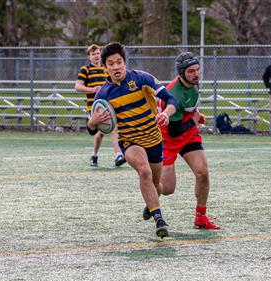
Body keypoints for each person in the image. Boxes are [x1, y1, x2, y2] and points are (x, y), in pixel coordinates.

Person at [87, 42, 179, 238]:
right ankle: (159, 220)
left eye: (119, 62)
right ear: (105, 67)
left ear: (125, 63)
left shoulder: (141, 79)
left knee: (157, 186)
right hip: (130, 142)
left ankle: (151, 203)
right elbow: (91, 128)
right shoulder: (103, 94)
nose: (116, 67)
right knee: (144, 171)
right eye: (110, 63)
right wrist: (93, 121)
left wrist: (167, 114)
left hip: (154, 139)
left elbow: (171, 100)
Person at [142, 52, 219, 230]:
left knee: (203, 172)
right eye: (191, 71)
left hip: (189, 135)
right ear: (182, 73)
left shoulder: (192, 85)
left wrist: (195, 114)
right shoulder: (172, 93)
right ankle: (152, 197)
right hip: (169, 139)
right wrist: (193, 118)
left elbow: (189, 107)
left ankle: (201, 217)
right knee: (168, 189)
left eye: (198, 70)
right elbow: (176, 131)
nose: (196, 74)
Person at [75, 44, 126, 167]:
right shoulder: (85, 70)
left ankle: (118, 155)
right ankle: (94, 155)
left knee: (114, 128)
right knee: (100, 133)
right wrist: (92, 90)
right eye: (93, 54)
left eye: (98, 53)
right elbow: (77, 86)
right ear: (89, 57)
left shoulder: (106, 69)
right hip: (95, 107)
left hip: (109, 105)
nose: (96, 56)